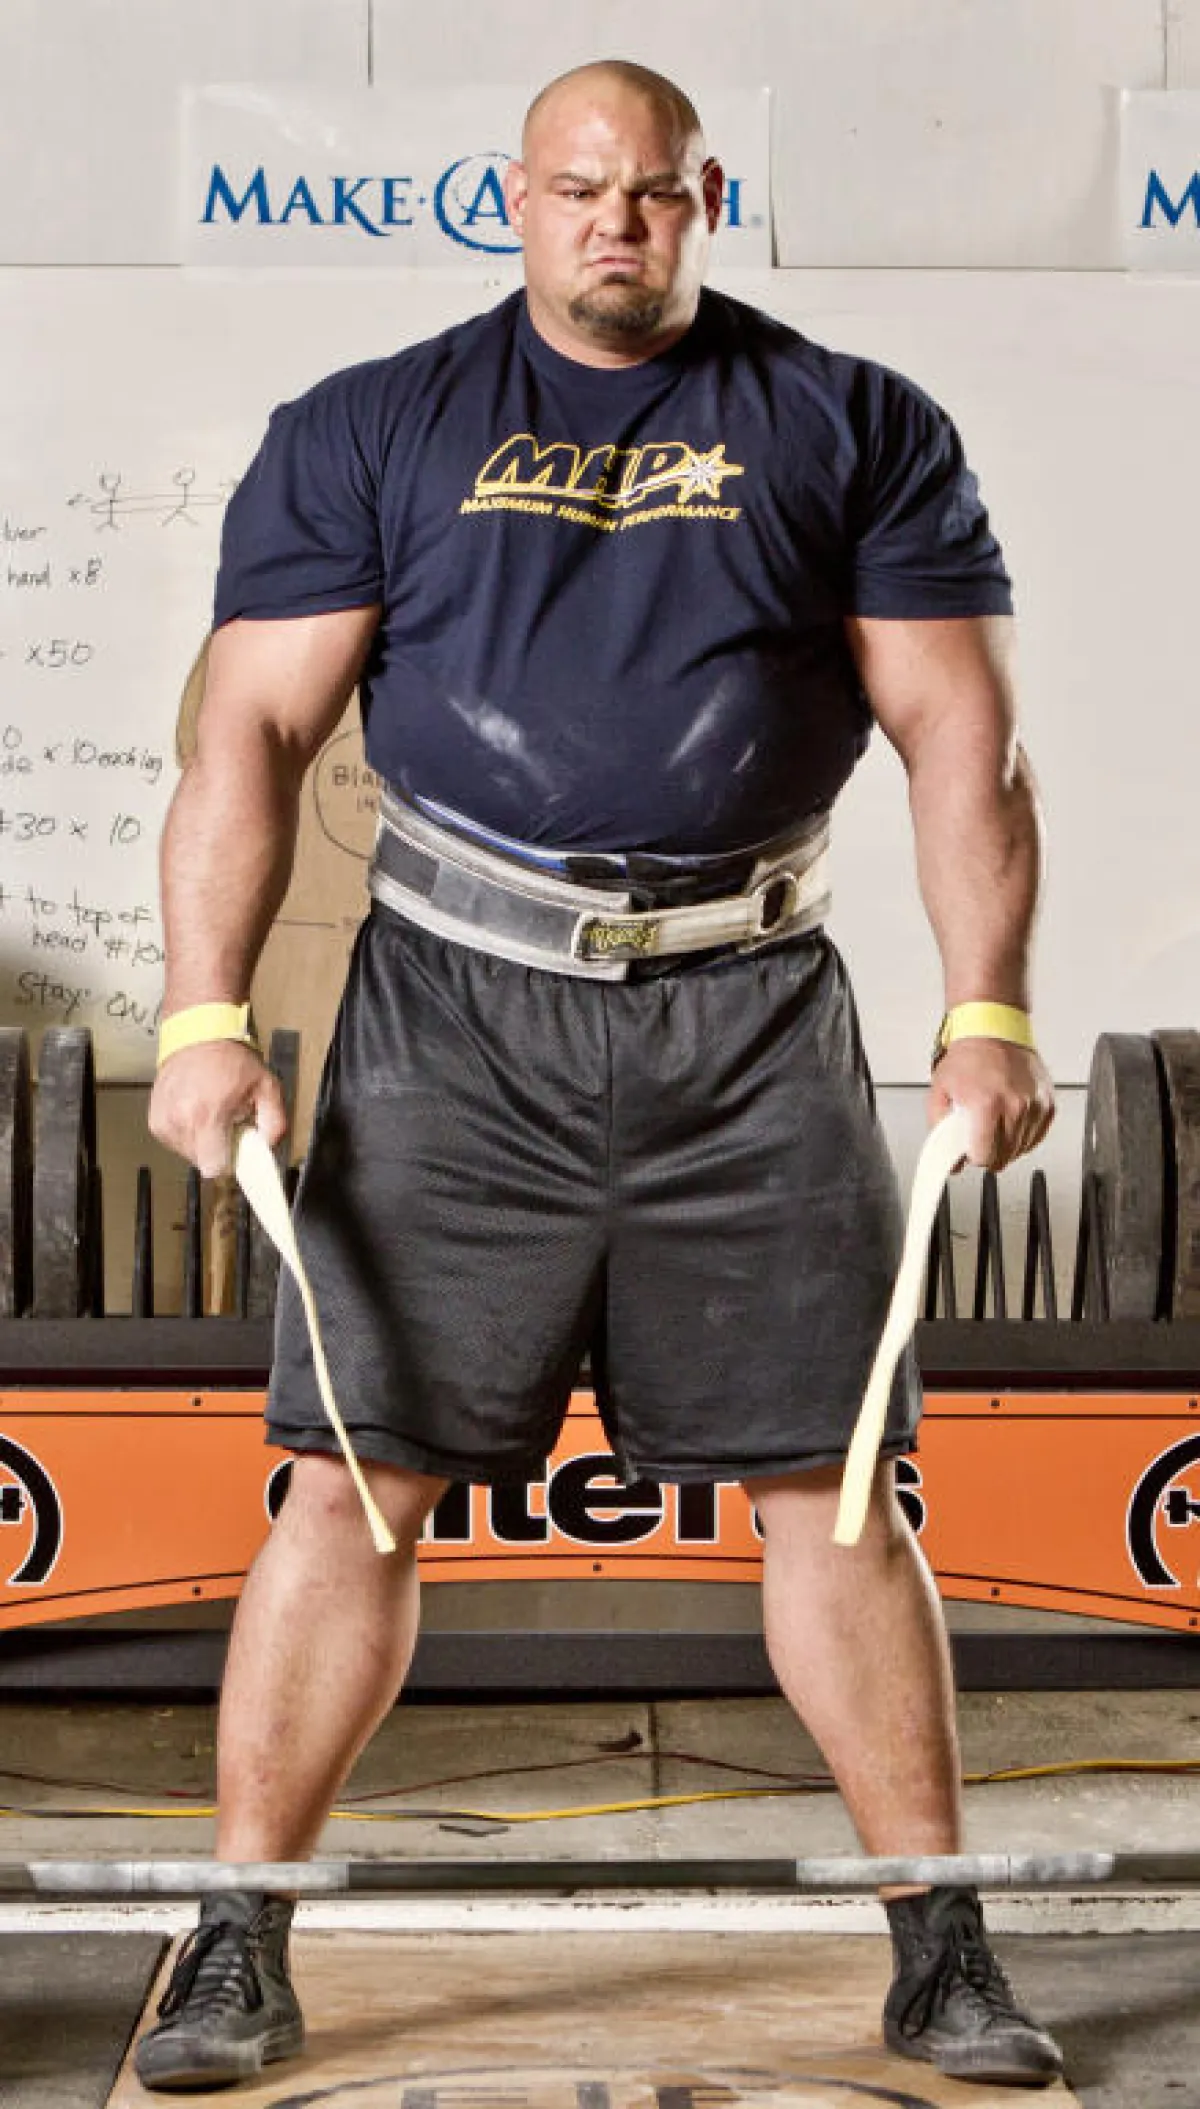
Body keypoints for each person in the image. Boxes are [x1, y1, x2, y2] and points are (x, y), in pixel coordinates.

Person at [138, 57, 1061, 2096]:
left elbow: (960, 737)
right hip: (455, 1018)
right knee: (353, 1486)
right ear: (515, 199)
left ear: (703, 197)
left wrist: (988, 1009)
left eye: (649, 192)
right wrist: (203, 1016)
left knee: (838, 1493)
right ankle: (234, 1943)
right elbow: (248, 735)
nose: (613, 224)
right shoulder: (375, 424)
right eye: (576, 190)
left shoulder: (851, 422)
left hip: (750, 1013)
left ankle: (942, 1947)